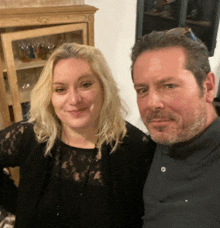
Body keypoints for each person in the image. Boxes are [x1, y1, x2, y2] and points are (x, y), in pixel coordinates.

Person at [0, 42, 155, 228]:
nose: (74, 99)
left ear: (104, 88)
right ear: (49, 96)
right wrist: (16, 205)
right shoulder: (32, 135)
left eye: (85, 85)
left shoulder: (137, 148)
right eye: (60, 89)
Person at [131, 27, 220, 227]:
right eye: (142, 90)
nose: (152, 103)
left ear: (208, 87)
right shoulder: (150, 146)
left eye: (169, 86)